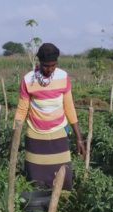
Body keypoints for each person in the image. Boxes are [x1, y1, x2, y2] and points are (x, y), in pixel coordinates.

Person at [14, 42, 85, 191]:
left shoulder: (63, 77)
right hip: (35, 134)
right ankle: (38, 209)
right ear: (39, 63)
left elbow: (69, 107)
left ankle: (62, 208)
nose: (50, 69)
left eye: (53, 65)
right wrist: (14, 138)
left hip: (59, 132)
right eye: (46, 65)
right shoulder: (28, 80)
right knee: (35, 178)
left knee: (63, 176)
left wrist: (79, 138)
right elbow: (22, 109)